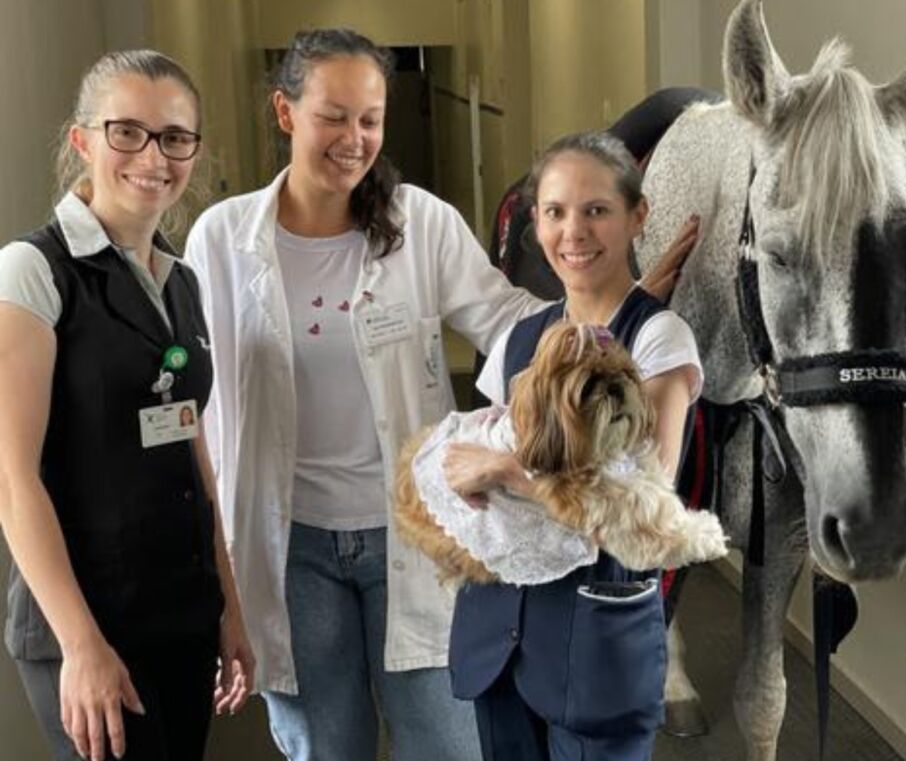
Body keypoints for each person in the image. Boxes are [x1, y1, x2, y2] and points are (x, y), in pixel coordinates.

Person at [184, 29, 696, 761]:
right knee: (325, 748)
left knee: (448, 744)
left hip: (413, 533)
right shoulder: (222, 239)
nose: (354, 139)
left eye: (370, 118)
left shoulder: (420, 223)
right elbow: (199, 407)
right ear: (285, 111)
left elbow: (514, 320)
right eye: (333, 116)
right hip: (291, 545)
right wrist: (212, 574)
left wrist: (623, 309)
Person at [0, 50, 253, 761]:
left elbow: (193, 452)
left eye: (174, 137)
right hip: (87, 625)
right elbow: (12, 482)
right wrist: (81, 646)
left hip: (180, 614)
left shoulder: (180, 281)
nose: (153, 157)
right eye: (128, 132)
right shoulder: (34, 272)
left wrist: (228, 606)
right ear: (83, 140)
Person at [445, 131, 703, 761]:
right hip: (499, 639)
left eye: (597, 210)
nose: (573, 232)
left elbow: (641, 508)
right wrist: (479, 473)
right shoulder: (520, 336)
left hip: (596, 648)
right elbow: (466, 467)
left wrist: (508, 473)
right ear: (535, 223)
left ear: (637, 217)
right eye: (555, 212)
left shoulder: (657, 340)